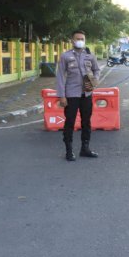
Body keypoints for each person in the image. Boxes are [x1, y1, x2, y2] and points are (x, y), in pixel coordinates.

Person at [56, 29, 100, 161]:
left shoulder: (90, 55)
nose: (80, 41)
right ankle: (69, 151)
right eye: (78, 39)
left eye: (82, 39)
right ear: (72, 40)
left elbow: (96, 69)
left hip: (86, 94)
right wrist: (61, 96)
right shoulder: (65, 56)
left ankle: (85, 149)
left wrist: (94, 81)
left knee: (86, 121)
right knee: (69, 122)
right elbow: (60, 77)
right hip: (71, 94)